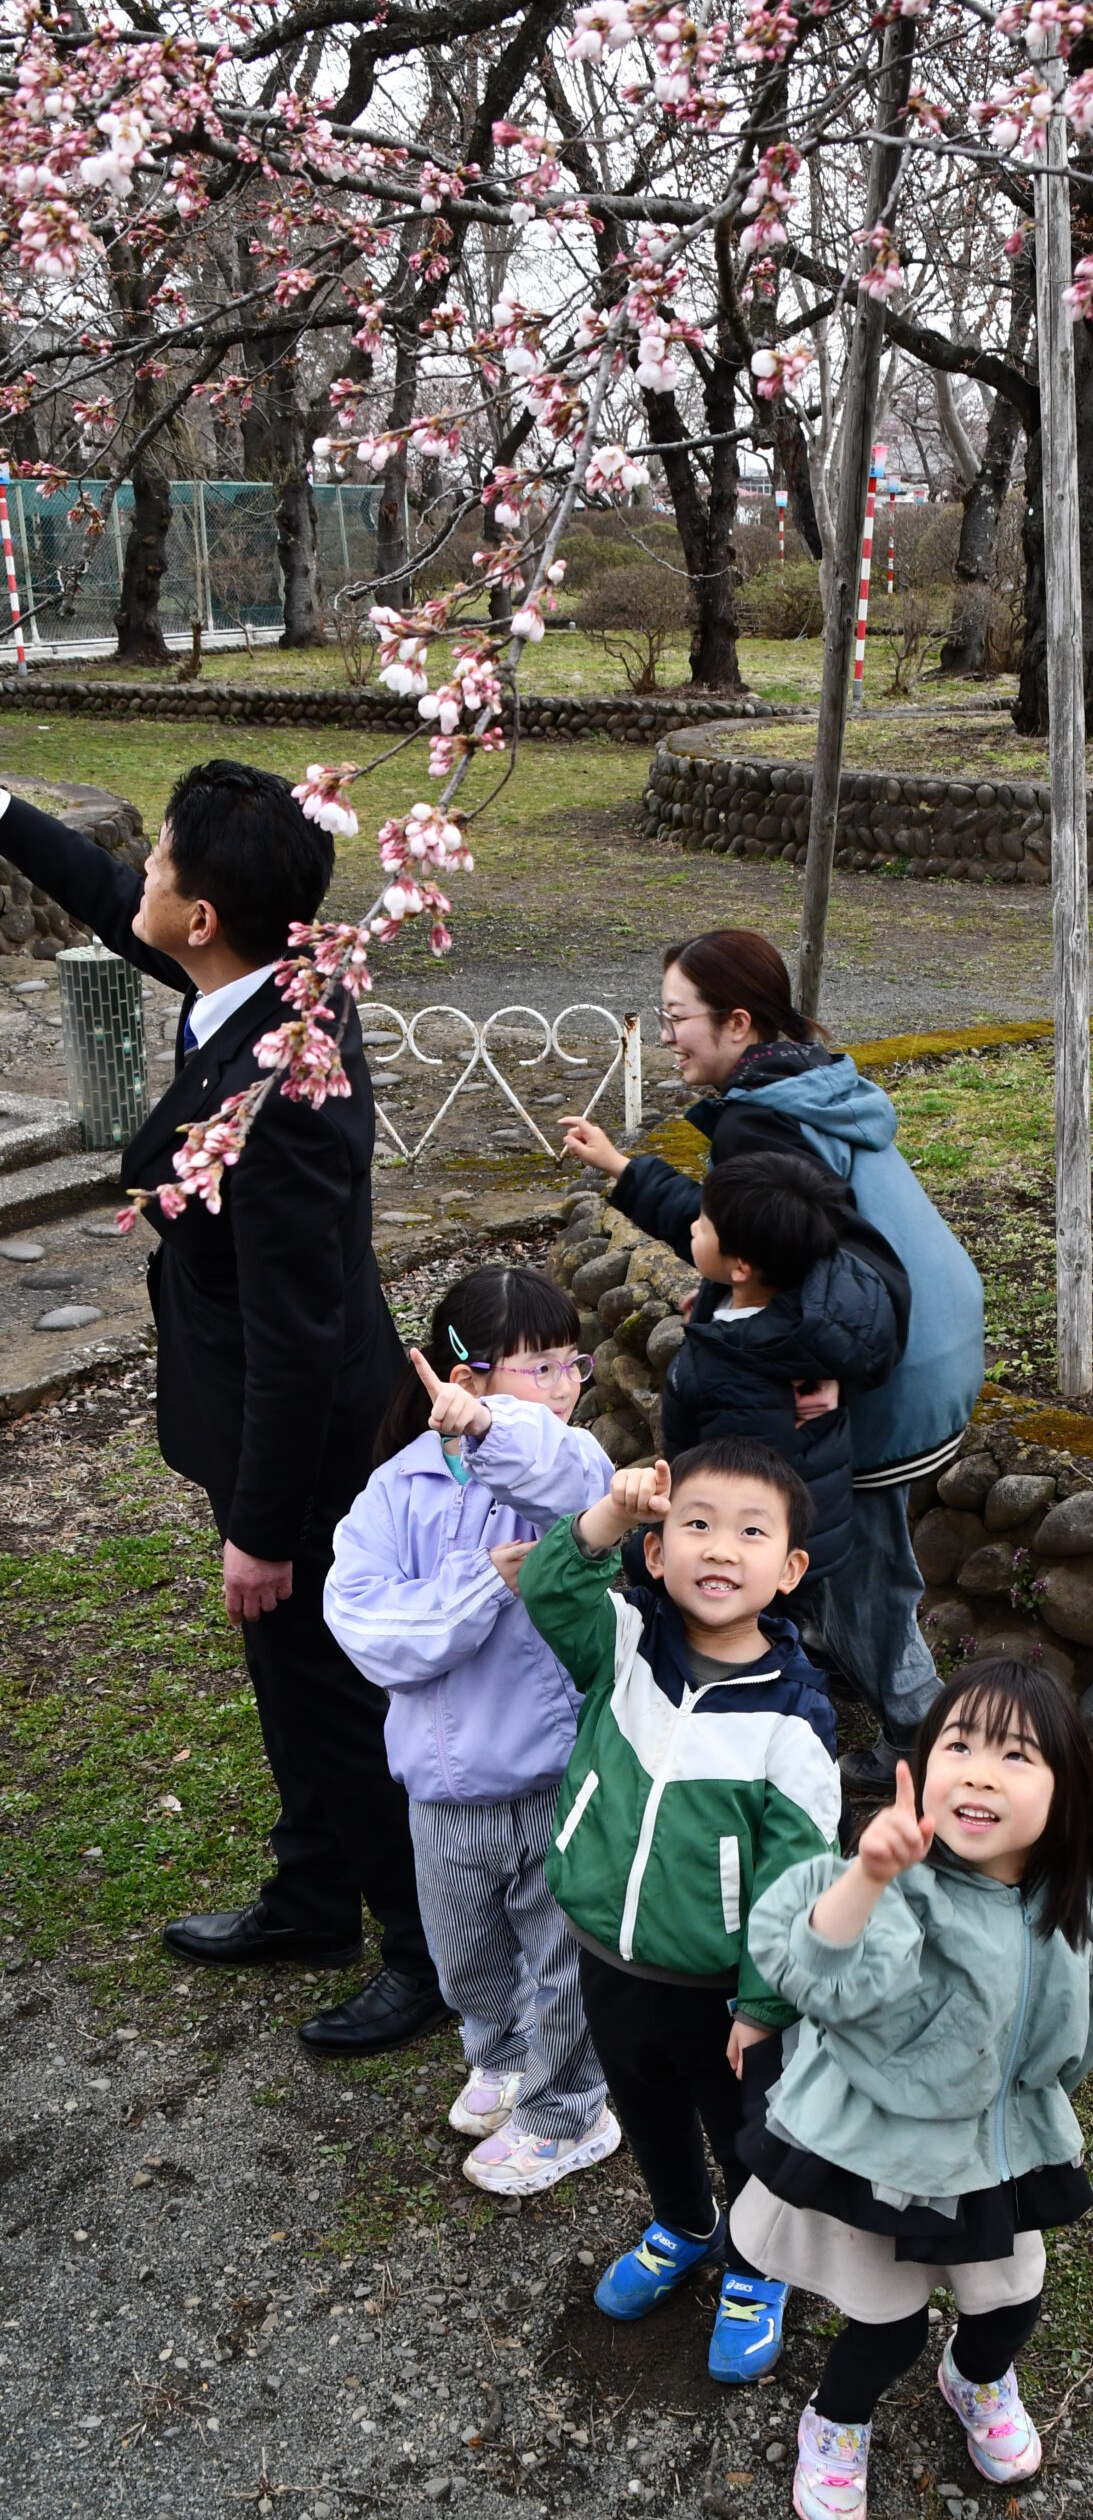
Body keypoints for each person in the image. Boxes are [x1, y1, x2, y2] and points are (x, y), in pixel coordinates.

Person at [0, 763, 441, 2054]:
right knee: (286, 1679)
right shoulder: (259, 985)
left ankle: (416, 1949)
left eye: (160, 866)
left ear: (204, 918)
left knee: (333, 1694)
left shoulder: (284, 1089)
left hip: (299, 1443)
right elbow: (104, 899)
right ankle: (311, 1895)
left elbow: (299, 1336)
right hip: (254, 1413)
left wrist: (262, 1530)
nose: (138, 879)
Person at [562, 927, 984, 1800]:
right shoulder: (811, 1081)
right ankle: (852, 1669)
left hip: (884, 1359)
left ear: (738, 1022)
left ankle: (923, 1739)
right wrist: (627, 1173)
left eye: (678, 1016)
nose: (667, 1033)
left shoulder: (757, 1120)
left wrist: (784, 1346)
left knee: (858, 1557)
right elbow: (764, 1238)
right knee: (850, 1544)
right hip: (934, 1332)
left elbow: (753, 1240)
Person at [728, 1659, 1093, 2520]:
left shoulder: (1076, 1904)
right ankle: (836, 2420)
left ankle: (976, 2376)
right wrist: (867, 1876)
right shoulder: (896, 1881)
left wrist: (1047, 2106)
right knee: (885, 2322)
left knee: (1012, 2299)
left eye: (1016, 1756)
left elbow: (1083, 2025)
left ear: (1066, 1792)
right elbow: (816, 1974)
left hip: (998, 2146)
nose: (980, 1772)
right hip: (878, 2151)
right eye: (958, 1745)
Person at [515, 1438, 842, 2384]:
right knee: (647, 2107)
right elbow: (548, 1586)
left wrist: (763, 2002)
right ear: (657, 1553)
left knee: (747, 2134)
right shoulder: (621, 1645)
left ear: (786, 1572)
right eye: (694, 1525)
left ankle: (756, 2263)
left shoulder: (794, 1720)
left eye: (750, 1534)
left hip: (723, 1994)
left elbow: (801, 1877)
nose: (718, 1550)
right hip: (610, 1960)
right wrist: (609, 1513)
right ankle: (682, 2225)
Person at [323, 1265, 620, 2197]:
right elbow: (370, 1631)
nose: (566, 1384)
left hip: (548, 1778)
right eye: (539, 1366)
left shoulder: (568, 1475)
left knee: (563, 1959)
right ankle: (500, 2055)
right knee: (468, 1955)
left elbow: (567, 1474)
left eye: (573, 1362)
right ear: (459, 1369)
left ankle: (571, 2109)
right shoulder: (394, 1490)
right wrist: (481, 1583)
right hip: (437, 1790)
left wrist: (496, 1425)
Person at [662, 1151, 905, 1578]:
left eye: (703, 1223)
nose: (692, 1226)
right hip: (800, 1545)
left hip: (753, 1572)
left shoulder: (740, 1370)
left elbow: (736, 1493)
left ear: (741, 1267)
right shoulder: (805, 1303)